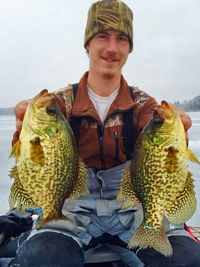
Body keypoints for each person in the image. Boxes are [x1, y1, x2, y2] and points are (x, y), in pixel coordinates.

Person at [0, 1, 200, 266]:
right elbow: (34, 162)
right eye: (102, 36)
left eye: (122, 38)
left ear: (129, 47)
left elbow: (163, 164)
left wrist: (177, 141)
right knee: (43, 256)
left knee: (185, 258)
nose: (112, 48)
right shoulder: (59, 104)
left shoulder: (145, 107)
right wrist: (22, 128)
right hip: (73, 209)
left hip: (132, 209)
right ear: (88, 44)